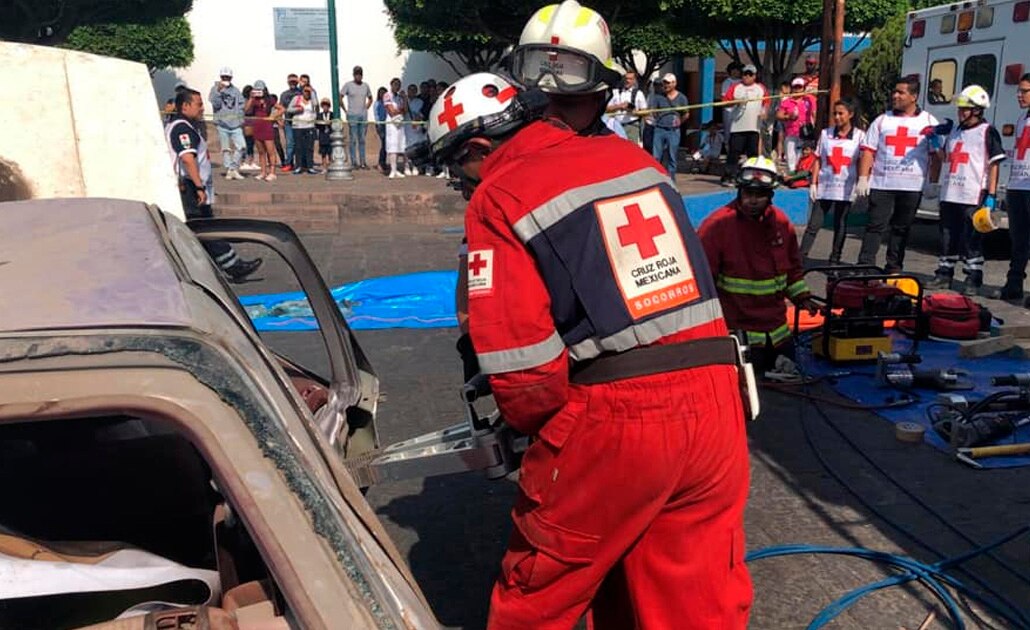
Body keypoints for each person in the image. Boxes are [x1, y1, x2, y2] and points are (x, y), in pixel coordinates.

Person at [471, 3, 753, 627]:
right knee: (691, 598)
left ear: (520, 89)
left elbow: (524, 371)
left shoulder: (502, 191)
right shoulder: (646, 167)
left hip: (618, 419)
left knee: (541, 594)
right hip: (717, 404)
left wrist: (536, 430)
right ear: (602, 91)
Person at [699, 156, 817, 373]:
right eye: (748, 193)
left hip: (778, 335)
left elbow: (791, 271)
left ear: (771, 195)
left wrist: (803, 298)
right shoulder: (717, 227)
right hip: (739, 337)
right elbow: (703, 283)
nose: (752, 200)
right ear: (739, 192)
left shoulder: (781, 224)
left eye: (760, 194)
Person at [165, 89, 262, 283]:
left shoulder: (183, 126)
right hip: (190, 188)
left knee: (205, 228)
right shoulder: (182, 128)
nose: (202, 108)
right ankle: (231, 267)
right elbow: (188, 159)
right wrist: (199, 187)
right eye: (199, 104)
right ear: (185, 106)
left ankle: (227, 266)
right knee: (204, 229)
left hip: (193, 186)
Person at [854, 75, 939, 272]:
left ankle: (893, 267)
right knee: (875, 225)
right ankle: (865, 266)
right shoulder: (882, 120)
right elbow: (868, 150)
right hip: (882, 184)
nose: (895, 96)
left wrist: (932, 182)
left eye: (901, 92)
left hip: (912, 186)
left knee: (902, 228)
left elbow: (936, 155)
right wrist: (863, 178)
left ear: (914, 97)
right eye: (894, 91)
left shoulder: (928, 121)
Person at [926, 85, 1005, 295]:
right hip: (950, 192)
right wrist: (934, 142)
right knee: (947, 235)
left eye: (965, 108)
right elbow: (946, 158)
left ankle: (973, 277)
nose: (960, 112)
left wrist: (991, 195)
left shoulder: (987, 131)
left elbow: (994, 164)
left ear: (977, 110)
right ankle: (944, 274)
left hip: (973, 194)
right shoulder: (955, 131)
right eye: (960, 108)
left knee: (971, 238)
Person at [509, 1, 623, 137]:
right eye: (537, 101)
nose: (549, 116)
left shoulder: (616, 148)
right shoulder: (509, 145)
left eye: (568, 103)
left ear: (600, 98)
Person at [800, 98, 866, 264]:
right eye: (835, 113)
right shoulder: (825, 134)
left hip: (845, 187)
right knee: (814, 224)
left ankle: (835, 259)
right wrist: (813, 183)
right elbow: (818, 159)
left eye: (841, 113)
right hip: (825, 187)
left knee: (840, 224)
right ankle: (800, 259)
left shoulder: (860, 136)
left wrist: (861, 181)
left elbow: (862, 160)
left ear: (850, 114)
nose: (837, 117)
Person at [997, 72, 1030, 305]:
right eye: (1019, 90)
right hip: (1018, 185)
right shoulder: (1021, 119)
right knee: (1018, 239)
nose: (1019, 95)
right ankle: (1014, 283)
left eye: (1024, 91)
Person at [721, 64, 768, 186]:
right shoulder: (736, 87)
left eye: (750, 74)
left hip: (754, 127)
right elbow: (725, 103)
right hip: (737, 127)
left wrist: (764, 112)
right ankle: (729, 176)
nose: (747, 76)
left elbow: (766, 102)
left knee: (753, 154)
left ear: (754, 76)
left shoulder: (760, 88)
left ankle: (752, 176)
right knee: (734, 153)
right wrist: (736, 102)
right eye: (745, 74)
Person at [648, 73, 689, 178]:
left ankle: (671, 179)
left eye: (668, 83)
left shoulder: (682, 98)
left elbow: (686, 114)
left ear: (674, 83)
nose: (665, 85)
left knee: (672, 157)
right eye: (664, 83)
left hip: (673, 130)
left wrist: (680, 122)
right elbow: (653, 112)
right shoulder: (658, 97)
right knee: (656, 156)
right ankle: (656, 178)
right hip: (659, 129)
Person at [208, 67, 247, 180]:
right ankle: (230, 170)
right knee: (226, 149)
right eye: (224, 77)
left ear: (231, 78)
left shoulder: (236, 91)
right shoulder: (215, 89)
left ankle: (233, 168)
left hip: (235, 124)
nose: (226, 79)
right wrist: (218, 91)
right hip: (222, 123)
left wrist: (240, 119)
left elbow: (241, 105)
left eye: (228, 77)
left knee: (242, 146)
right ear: (220, 77)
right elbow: (215, 104)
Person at [244, 80, 282, 182]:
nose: (258, 92)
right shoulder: (254, 100)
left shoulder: (269, 100)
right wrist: (251, 98)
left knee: (270, 151)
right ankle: (263, 172)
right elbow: (246, 110)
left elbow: (282, 109)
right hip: (257, 125)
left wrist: (273, 116)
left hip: (267, 125)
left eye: (260, 90)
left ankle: (272, 172)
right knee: (261, 151)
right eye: (256, 90)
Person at [777, 77, 814, 171]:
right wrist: (789, 116)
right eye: (795, 87)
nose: (797, 89)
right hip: (791, 132)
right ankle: (792, 174)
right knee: (790, 156)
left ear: (803, 88)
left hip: (805, 133)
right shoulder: (786, 101)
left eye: (799, 87)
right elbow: (779, 115)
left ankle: (801, 173)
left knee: (802, 155)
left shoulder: (809, 99)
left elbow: (815, 113)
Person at [341, 65, 373, 169]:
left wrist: (366, 108)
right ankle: (354, 162)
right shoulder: (348, 85)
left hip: (363, 116)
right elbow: (340, 97)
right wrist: (345, 110)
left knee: (362, 139)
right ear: (353, 75)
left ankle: (363, 162)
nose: (358, 76)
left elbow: (370, 98)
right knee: (353, 139)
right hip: (352, 115)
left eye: (360, 74)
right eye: (356, 74)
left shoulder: (365, 86)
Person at [606, 70, 648, 145]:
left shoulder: (638, 94)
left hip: (632, 126)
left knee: (632, 149)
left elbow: (645, 112)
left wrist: (633, 111)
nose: (627, 81)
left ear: (634, 81)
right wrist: (619, 106)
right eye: (626, 78)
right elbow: (607, 109)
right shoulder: (617, 92)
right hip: (617, 126)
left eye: (630, 79)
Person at [288, 84, 320, 174]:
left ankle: (310, 166)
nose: (307, 93)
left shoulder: (312, 100)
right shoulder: (297, 98)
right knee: (298, 147)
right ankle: (298, 166)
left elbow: (316, 105)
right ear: (302, 91)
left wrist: (313, 93)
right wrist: (297, 109)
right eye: (305, 91)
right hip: (298, 126)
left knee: (309, 147)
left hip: (309, 126)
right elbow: (289, 109)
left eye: (309, 91)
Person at [384, 78, 408, 178]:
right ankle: (392, 170)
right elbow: (391, 111)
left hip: (400, 123)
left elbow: (405, 110)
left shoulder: (400, 97)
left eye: (399, 85)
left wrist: (405, 99)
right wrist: (400, 109)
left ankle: (396, 169)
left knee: (399, 145)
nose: (397, 86)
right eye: (395, 84)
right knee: (392, 145)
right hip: (392, 123)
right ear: (391, 85)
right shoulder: (387, 95)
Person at [279, 74, 302, 172]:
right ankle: (289, 163)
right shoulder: (284, 94)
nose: (292, 83)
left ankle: (300, 163)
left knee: (300, 143)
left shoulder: (301, 93)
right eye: (291, 82)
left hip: (300, 121)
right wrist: (280, 120)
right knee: (290, 144)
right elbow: (280, 107)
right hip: (288, 122)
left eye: (294, 82)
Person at [405, 83, 427, 175]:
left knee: (415, 147)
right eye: (410, 90)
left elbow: (421, 113)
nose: (412, 92)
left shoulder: (420, 101)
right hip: (406, 127)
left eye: (414, 90)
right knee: (406, 147)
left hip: (416, 127)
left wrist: (417, 119)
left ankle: (415, 166)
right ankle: (406, 166)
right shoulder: (404, 101)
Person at [721, 62, 743, 145]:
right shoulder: (727, 82)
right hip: (729, 111)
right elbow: (724, 97)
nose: (736, 72)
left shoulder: (742, 82)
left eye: (738, 70)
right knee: (728, 131)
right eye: (734, 70)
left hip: (741, 111)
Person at [240, 84, 259, 172]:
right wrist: (251, 99)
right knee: (245, 142)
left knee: (251, 142)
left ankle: (251, 161)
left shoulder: (255, 99)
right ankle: (242, 161)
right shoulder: (244, 100)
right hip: (246, 120)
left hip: (253, 120)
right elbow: (246, 109)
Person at [373, 86, 389, 173]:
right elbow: (376, 115)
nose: (382, 95)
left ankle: (384, 162)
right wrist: (379, 124)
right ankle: (380, 162)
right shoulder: (377, 103)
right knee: (384, 143)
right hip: (380, 125)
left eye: (384, 93)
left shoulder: (388, 103)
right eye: (381, 93)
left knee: (387, 145)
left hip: (388, 124)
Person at [316, 97, 333, 170]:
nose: (325, 107)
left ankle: (331, 166)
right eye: (324, 105)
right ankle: (324, 167)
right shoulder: (319, 115)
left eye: (327, 105)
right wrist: (321, 123)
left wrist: (330, 123)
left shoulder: (332, 114)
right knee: (323, 153)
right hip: (322, 136)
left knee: (330, 152)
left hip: (330, 136)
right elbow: (316, 125)